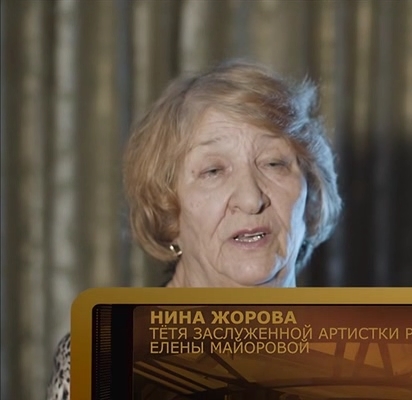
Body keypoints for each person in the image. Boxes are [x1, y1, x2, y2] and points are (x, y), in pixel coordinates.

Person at [46, 59, 342, 400]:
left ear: (311, 193)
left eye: (274, 163)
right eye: (213, 171)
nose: (251, 199)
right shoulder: (104, 362)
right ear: (169, 212)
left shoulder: (375, 357)